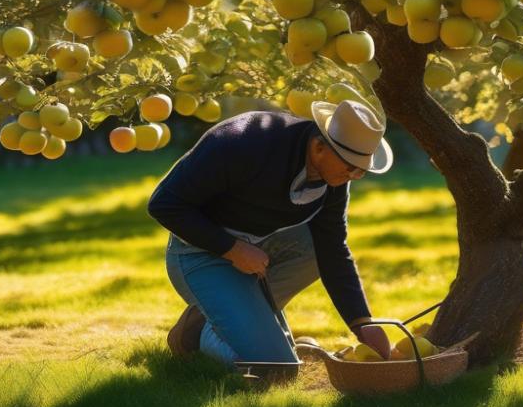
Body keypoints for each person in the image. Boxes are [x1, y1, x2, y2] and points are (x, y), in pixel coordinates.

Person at [147, 99, 394, 370]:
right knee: (278, 369)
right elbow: (164, 204)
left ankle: (227, 314)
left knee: (318, 250)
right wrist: (233, 249)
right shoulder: (242, 143)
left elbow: (332, 248)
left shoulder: (334, 178)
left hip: (256, 250)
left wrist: (361, 323)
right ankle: (197, 335)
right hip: (197, 253)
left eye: (363, 169)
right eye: (351, 166)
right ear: (319, 147)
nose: (356, 175)